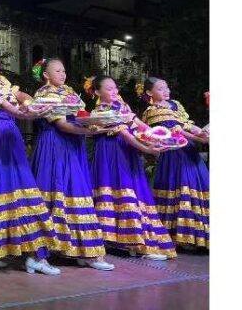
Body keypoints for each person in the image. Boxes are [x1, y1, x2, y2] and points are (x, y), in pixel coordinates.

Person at [0, 47, 62, 275]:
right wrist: (28, 113)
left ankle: (32, 255)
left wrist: (29, 102)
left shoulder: (3, 81)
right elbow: (10, 108)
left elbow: (19, 96)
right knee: (1, 191)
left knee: (20, 193)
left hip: (9, 139)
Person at [30, 59, 115, 271]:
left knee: (77, 193)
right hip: (54, 147)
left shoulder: (68, 91)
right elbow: (62, 125)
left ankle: (84, 251)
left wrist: (94, 123)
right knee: (54, 192)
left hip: (72, 147)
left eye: (64, 70)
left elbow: (82, 116)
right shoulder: (44, 93)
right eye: (57, 70)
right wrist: (89, 131)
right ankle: (39, 257)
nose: (63, 73)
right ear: (46, 75)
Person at [86, 75, 176, 260]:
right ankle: (126, 243)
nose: (114, 92)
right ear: (97, 92)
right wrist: (146, 148)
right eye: (109, 89)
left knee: (137, 191)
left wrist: (157, 135)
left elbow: (137, 123)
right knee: (122, 191)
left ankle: (142, 242)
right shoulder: (101, 111)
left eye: (115, 88)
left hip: (127, 151)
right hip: (112, 153)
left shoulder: (121, 104)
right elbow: (125, 133)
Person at [140, 77, 209, 250]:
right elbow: (173, 130)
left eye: (166, 87)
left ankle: (200, 236)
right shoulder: (152, 110)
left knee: (197, 187)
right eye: (160, 88)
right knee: (181, 188)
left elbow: (186, 123)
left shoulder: (175, 104)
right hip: (173, 154)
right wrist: (201, 138)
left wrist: (201, 132)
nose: (166, 91)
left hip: (189, 151)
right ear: (149, 93)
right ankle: (180, 237)